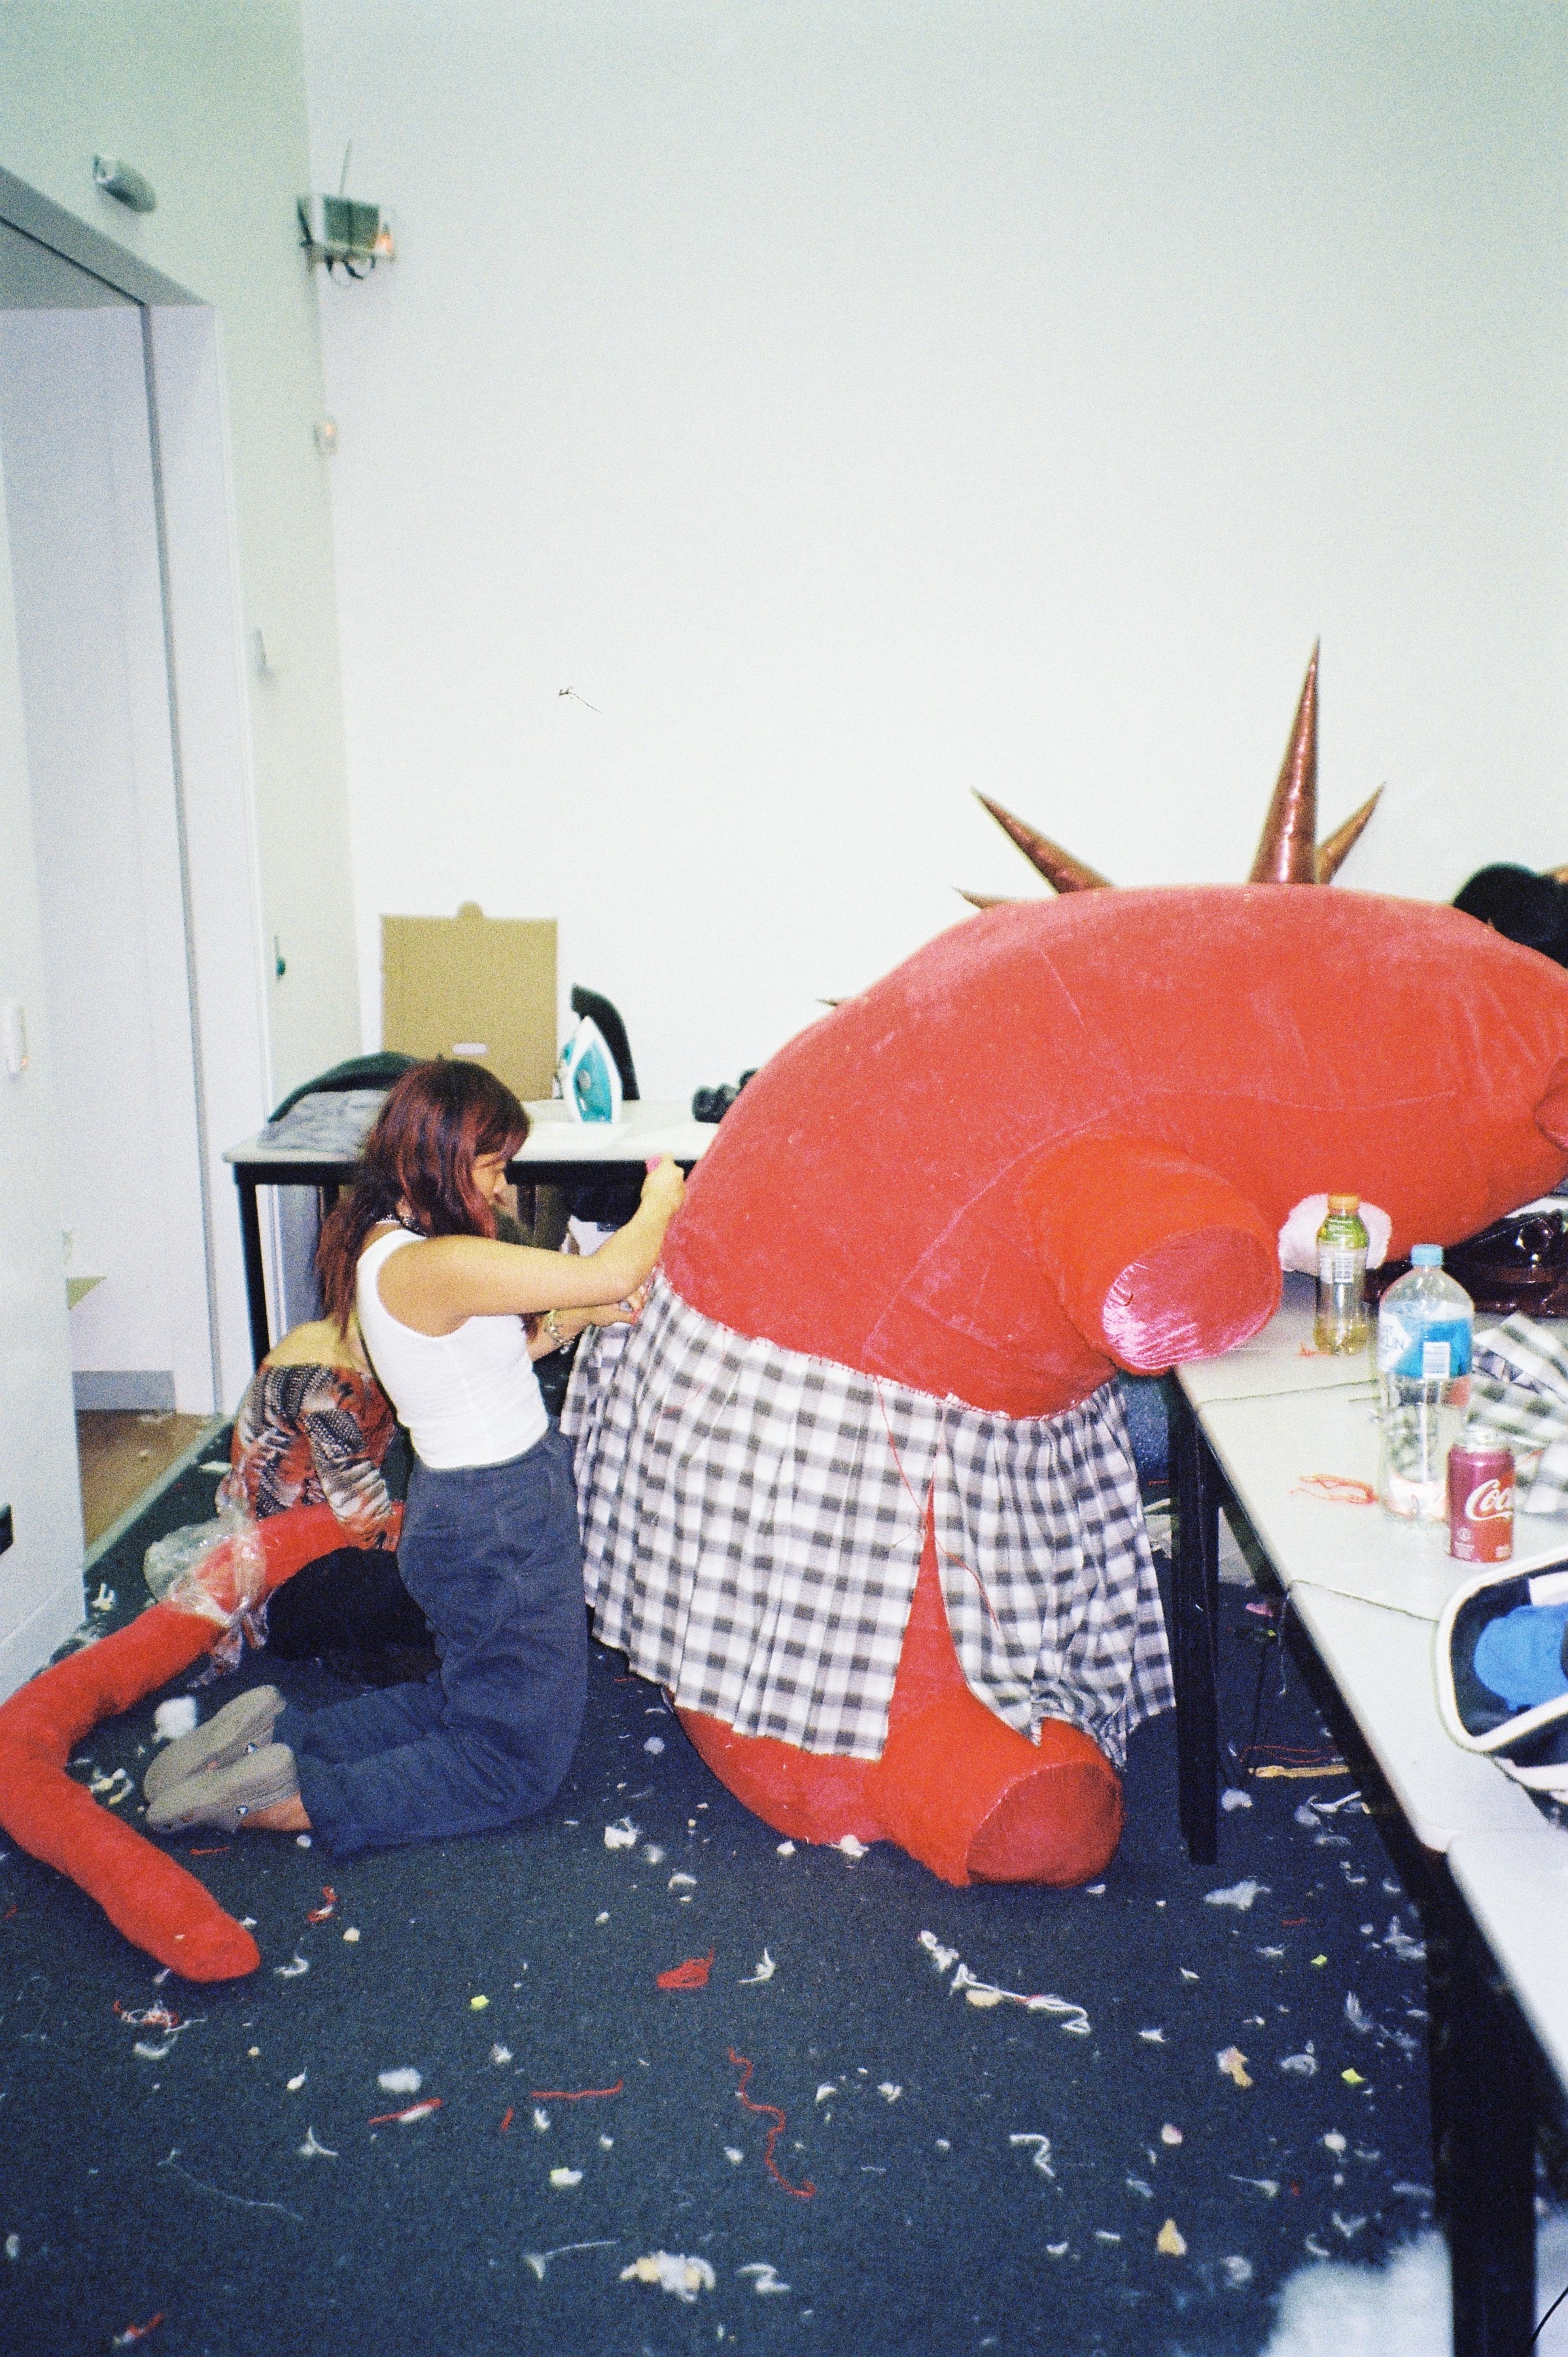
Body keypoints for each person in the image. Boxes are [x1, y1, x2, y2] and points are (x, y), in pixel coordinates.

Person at [143, 1058, 684, 1851]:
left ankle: (282, 1741)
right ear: (443, 1158)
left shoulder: (392, 1246)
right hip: (498, 1518)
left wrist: (582, 1316)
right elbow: (615, 1262)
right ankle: (291, 1801)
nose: (504, 1191)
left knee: (470, 1696)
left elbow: (496, 1353)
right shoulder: (436, 1264)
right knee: (514, 1761)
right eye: (496, 1168)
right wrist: (665, 1188)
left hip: (470, 1505)